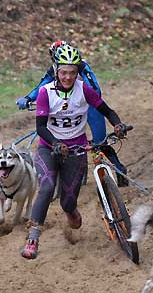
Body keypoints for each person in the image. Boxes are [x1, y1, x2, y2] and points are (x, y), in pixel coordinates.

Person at [21, 44, 130, 259]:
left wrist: (118, 124)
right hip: (49, 148)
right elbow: (41, 127)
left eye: (72, 72)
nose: (68, 77)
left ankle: (70, 210)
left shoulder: (83, 89)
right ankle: (33, 239)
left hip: (77, 149)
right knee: (47, 186)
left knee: (68, 202)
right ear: (56, 70)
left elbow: (107, 110)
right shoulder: (46, 93)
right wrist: (55, 143)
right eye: (63, 72)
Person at [16, 40, 128, 187]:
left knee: (100, 143)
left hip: (88, 104)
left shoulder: (81, 65)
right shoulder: (54, 69)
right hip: (68, 106)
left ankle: (119, 169)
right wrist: (28, 98)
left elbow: (94, 87)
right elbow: (42, 85)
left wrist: (85, 99)